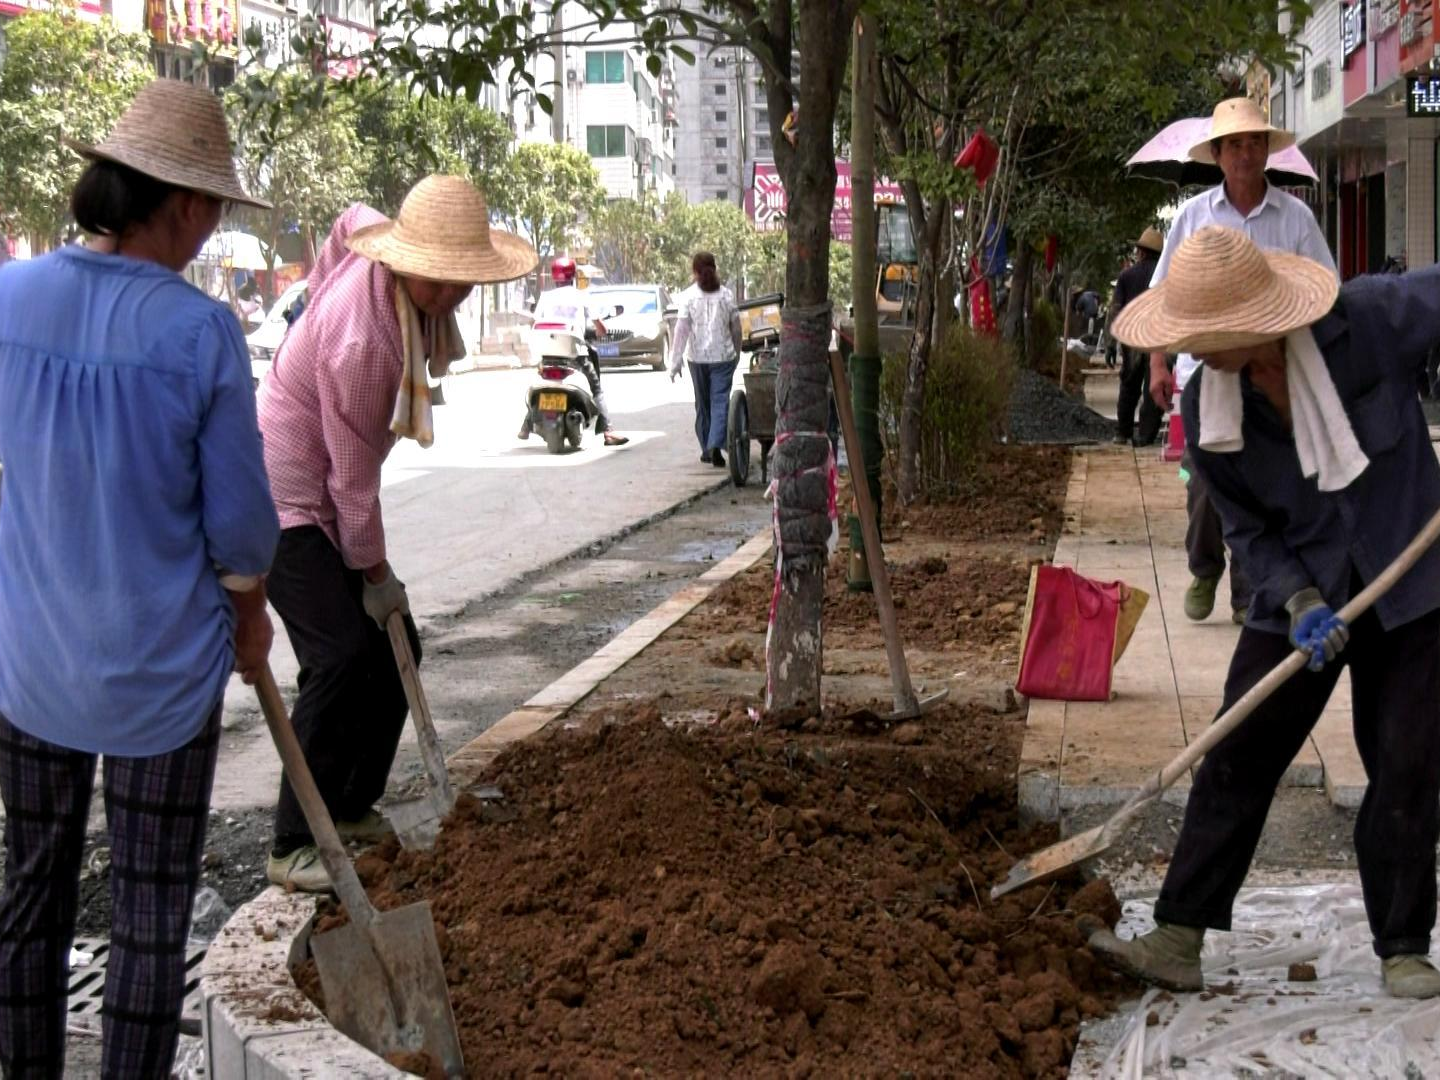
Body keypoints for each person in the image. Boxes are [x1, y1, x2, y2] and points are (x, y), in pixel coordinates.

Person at [0, 79, 279, 1076]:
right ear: (188, 205)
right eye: (212, 211)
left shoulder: (11, 298)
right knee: (151, 912)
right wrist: (251, 614)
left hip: (30, 670)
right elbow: (242, 527)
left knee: (29, 895)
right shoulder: (200, 335)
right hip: (160, 681)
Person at [1091, 225, 1440, 1000]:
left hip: (1408, 576)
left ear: (1260, 321)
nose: (1196, 350)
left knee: (1409, 758)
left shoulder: (1371, 319)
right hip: (1307, 589)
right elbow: (1246, 529)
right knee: (1241, 749)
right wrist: (1302, 600)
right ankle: (1181, 931)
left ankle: (1405, 943)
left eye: (1211, 335)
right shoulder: (1211, 417)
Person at [257, 175, 537, 892]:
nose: (448, 296)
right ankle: (295, 839)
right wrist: (377, 579)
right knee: (342, 655)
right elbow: (351, 489)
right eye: (436, 281)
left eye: (461, 282)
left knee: (399, 644)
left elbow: (347, 216)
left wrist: (310, 302)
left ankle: (350, 806)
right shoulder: (363, 347)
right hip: (283, 493)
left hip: (327, 490)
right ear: (403, 259)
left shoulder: (377, 254)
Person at [1147, 97, 1337, 626]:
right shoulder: (1193, 217)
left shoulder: (1296, 218)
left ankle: (1248, 593)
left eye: (1255, 143)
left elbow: (1325, 290)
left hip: (1274, 375)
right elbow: (1161, 295)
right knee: (1207, 485)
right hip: (1206, 375)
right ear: (1219, 154)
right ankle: (1204, 565)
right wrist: (1158, 364)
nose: (1246, 153)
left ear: (1266, 151)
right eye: (1235, 144)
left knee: (1266, 486)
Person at [524, 256, 629, 446]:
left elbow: (535, 321)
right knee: (596, 387)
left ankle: (526, 422)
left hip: (548, 354)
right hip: (575, 354)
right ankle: (608, 430)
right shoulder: (582, 296)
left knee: (539, 382)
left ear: (554, 276)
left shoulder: (546, 297)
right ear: (574, 275)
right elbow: (600, 327)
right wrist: (600, 331)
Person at [668, 251, 741, 467]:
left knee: (703, 404)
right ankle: (715, 445)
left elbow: (681, 331)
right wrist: (737, 352)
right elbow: (736, 329)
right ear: (715, 268)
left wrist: (675, 362)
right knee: (720, 402)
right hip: (723, 357)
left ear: (694, 271)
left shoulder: (688, 297)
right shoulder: (727, 295)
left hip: (697, 358)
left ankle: (708, 448)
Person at [1106, 226, 1166, 446]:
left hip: (1132, 339)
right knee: (1154, 387)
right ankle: (1145, 436)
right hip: (1158, 340)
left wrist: (1110, 344)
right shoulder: (1166, 276)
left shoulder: (1126, 276)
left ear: (1140, 251)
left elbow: (1115, 312)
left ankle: (1123, 433)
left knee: (1129, 386)